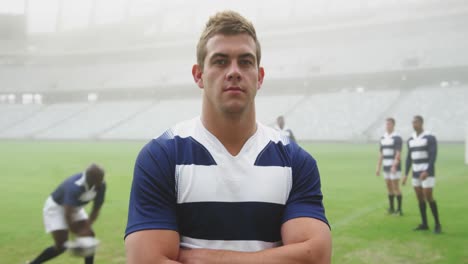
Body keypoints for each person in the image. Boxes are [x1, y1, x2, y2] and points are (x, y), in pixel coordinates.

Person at [125, 10, 331, 264]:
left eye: (245, 62)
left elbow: (315, 258)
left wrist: (202, 257)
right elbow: (146, 261)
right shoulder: (162, 156)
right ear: (198, 75)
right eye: (220, 61)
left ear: (260, 76)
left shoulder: (295, 161)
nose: (234, 71)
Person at [29, 163, 106, 264]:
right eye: (98, 180)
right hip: (56, 208)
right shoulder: (74, 186)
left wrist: (87, 227)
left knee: (89, 236)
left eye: (101, 179)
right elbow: (68, 214)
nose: (101, 182)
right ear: (90, 179)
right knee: (61, 245)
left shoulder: (101, 185)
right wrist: (75, 232)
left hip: (75, 207)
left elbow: (96, 209)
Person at [402, 115, 441, 234]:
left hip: (427, 172)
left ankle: (437, 224)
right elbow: (409, 157)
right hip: (415, 172)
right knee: (419, 197)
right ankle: (424, 223)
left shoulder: (430, 137)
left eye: (416, 122)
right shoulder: (411, 139)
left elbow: (433, 155)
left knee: (428, 196)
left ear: (421, 123)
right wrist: (405, 174)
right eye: (413, 123)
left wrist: (427, 171)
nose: (414, 125)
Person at [376, 117, 403, 215]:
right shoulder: (383, 138)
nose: (387, 126)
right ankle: (391, 208)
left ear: (393, 125)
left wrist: (394, 165)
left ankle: (399, 209)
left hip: (394, 167)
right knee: (388, 186)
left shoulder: (397, 138)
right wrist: (378, 167)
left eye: (389, 124)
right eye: (386, 124)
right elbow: (381, 153)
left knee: (396, 187)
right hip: (386, 166)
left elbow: (398, 153)